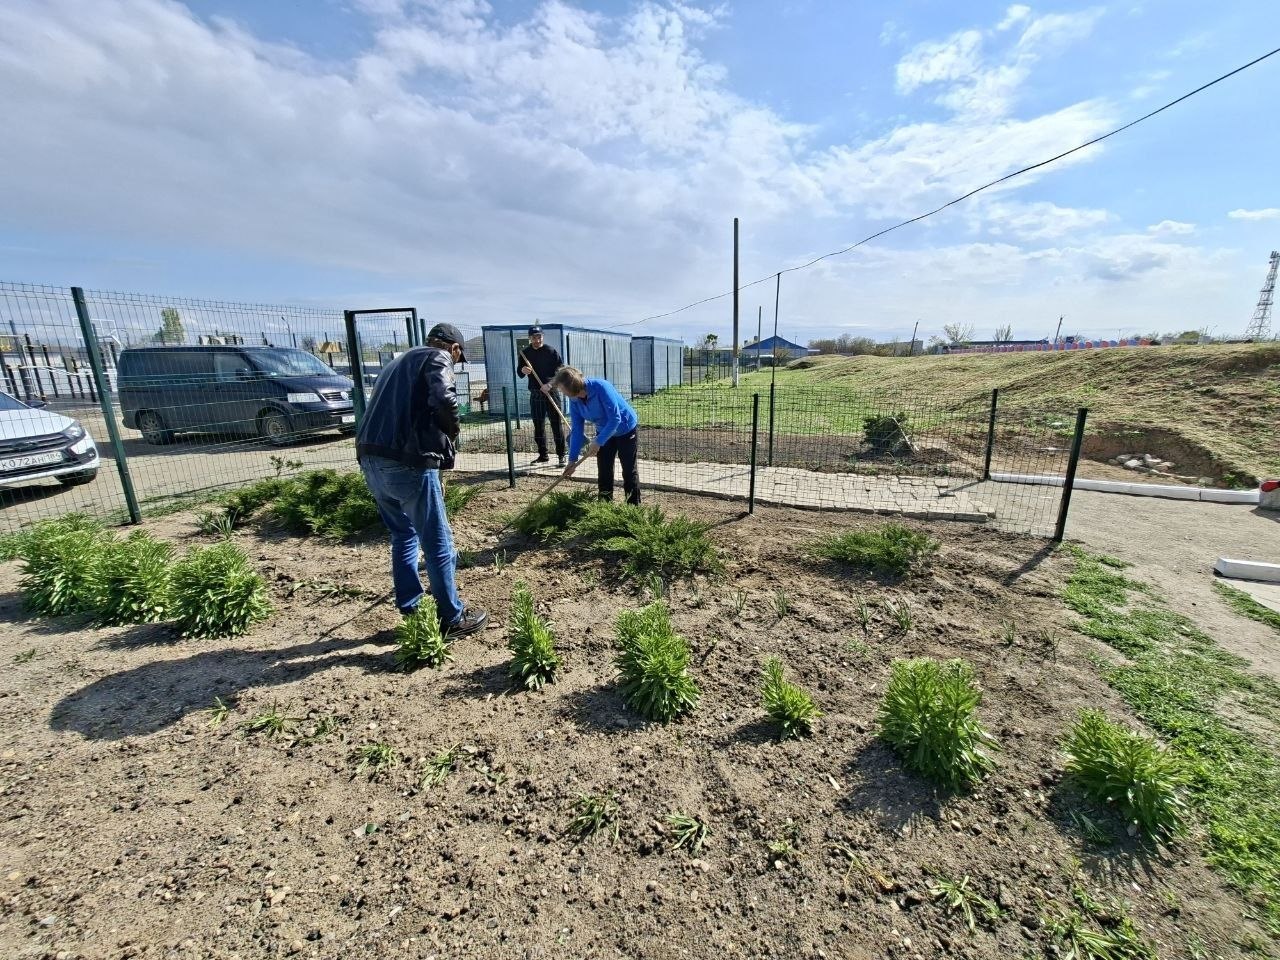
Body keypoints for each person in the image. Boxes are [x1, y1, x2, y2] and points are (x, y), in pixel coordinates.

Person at [356, 322, 487, 637]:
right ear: (453, 348)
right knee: (438, 541)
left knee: (403, 536)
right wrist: (452, 433)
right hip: (407, 462)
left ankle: (411, 609)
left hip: (370, 458)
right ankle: (452, 618)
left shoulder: (395, 363)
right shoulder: (437, 357)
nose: (456, 363)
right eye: (458, 358)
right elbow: (444, 400)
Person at [552, 365, 641, 505]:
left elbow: (615, 419)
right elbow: (577, 430)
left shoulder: (601, 387)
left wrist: (598, 441)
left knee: (629, 471)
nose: (562, 392)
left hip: (625, 428)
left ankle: (633, 508)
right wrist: (572, 460)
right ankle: (604, 507)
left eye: (562, 389)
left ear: (572, 387)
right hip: (603, 430)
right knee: (604, 471)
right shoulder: (574, 400)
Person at [518, 325, 566, 467]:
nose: (537, 340)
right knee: (538, 425)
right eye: (534, 337)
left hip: (551, 392)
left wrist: (549, 385)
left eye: (539, 337)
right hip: (536, 394)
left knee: (556, 424)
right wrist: (523, 369)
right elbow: (519, 372)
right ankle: (543, 455)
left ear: (542, 336)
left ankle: (561, 455)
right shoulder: (525, 353)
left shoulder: (551, 351)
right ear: (530, 338)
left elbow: (561, 372)